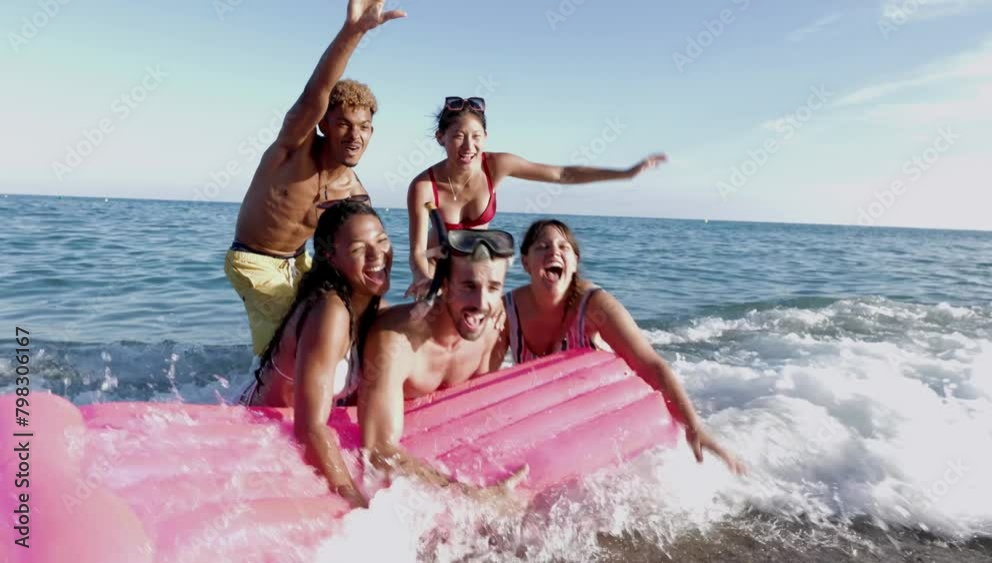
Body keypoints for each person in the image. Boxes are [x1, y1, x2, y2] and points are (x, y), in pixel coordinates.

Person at [225, 0, 404, 357]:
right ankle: (268, 396)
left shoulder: (355, 194)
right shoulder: (294, 149)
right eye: (344, 124)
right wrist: (353, 32)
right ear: (325, 124)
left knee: (355, 314)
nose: (355, 136)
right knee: (301, 330)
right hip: (253, 261)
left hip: (301, 260)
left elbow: (368, 250)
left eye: (365, 127)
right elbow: (317, 92)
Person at [502, 219, 746, 475]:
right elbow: (483, 375)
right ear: (525, 263)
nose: (554, 252)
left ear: (574, 263)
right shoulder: (507, 311)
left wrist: (694, 426)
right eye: (542, 246)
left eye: (564, 247)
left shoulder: (595, 306)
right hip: (545, 418)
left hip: (601, 413)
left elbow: (648, 364)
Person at [405, 95, 668, 297]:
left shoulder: (496, 166)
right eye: (458, 136)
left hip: (478, 272)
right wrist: (423, 279)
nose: (468, 146)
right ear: (441, 137)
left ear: (486, 137)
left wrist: (626, 173)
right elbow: (417, 251)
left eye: (476, 136)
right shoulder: (423, 186)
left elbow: (561, 174)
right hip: (434, 274)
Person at [237, 200, 393, 508]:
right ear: (329, 257)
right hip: (261, 429)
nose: (378, 256)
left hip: (300, 423)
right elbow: (310, 428)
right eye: (359, 248)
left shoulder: (373, 308)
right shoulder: (330, 312)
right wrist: (355, 501)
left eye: (382, 241)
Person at [359, 230, 526, 492]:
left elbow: (478, 414)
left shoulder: (490, 332)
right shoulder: (395, 343)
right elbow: (378, 451)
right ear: (444, 285)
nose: (482, 303)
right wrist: (467, 494)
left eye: (493, 288)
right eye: (469, 286)